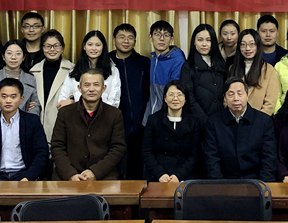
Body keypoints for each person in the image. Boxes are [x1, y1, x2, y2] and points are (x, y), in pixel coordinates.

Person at [50, 69, 126, 181]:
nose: (91, 89)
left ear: (104, 88)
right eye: (87, 85)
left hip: (103, 174)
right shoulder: (65, 113)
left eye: (96, 85)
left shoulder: (114, 114)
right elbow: (57, 146)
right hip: (68, 174)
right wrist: (70, 174)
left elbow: (117, 148)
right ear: (79, 88)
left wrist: (95, 172)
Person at [0, 78, 49, 181]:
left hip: (24, 175)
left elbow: (42, 152)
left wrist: (29, 177)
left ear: (21, 99)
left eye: (13, 96)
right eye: (4, 96)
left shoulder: (32, 121)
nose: (8, 101)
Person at [203, 78, 276, 182]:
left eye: (240, 94)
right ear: (225, 98)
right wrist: (219, 185)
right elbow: (212, 158)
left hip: (256, 181)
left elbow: (269, 157)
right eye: (231, 94)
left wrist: (263, 185)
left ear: (247, 96)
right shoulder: (214, 122)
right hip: (225, 182)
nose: (236, 98)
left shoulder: (264, 121)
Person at [109, 23, 151, 180]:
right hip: (115, 124)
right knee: (116, 168)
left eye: (130, 37)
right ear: (114, 40)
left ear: (135, 41)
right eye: (121, 37)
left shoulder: (144, 63)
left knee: (139, 169)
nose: (126, 41)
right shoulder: (106, 62)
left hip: (141, 124)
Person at [142, 80, 200, 182]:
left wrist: (179, 175)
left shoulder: (193, 122)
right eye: (171, 95)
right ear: (165, 98)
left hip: (184, 176)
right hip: (158, 176)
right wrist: (160, 174)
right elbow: (147, 152)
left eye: (180, 95)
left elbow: (194, 155)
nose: (175, 98)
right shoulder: (154, 120)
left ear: (185, 98)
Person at [58, 30, 121, 108]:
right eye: (90, 44)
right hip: (77, 114)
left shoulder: (113, 71)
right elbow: (63, 98)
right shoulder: (74, 71)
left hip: (105, 114)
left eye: (98, 45)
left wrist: (100, 112)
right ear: (84, 46)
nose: (94, 48)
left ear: (103, 47)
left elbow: (114, 101)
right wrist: (73, 104)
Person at [30, 30, 74, 141]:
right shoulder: (33, 71)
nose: (52, 49)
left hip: (62, 125)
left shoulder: (73, 70)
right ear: (42, 48)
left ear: (62, 47)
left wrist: (72, 101)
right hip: (37, 126)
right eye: (48, 46)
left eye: (56, 46)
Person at [179, 24, 228, 122]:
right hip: (198, 121)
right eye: (200, 40)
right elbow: (189, 97)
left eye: (208, 40)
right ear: (194, 42)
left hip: (221, 119)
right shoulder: (188, 66)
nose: (204, 44)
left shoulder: (221, 63)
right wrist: (204, 120)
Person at [0, 39, 41, 119]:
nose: (13, 57)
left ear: (23, 57)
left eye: (18, 54)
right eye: (9, 53)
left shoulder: (31, 79)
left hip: (25, 124)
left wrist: (26, 121)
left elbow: (35, 105)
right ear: (3, 56)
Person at [142, 21, 186, 125]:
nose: (161, 39)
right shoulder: (154, 58)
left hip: (166, 118)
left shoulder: (178, 60)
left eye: (166, 35)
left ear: (171, 39)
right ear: (150, 37)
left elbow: (175, 94)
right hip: (150, 114)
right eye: (157, 34)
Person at [228, 29, 279, 115]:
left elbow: (270, 103)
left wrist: (257, 120)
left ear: (258, 46)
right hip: (234, 118)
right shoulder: (232, 69)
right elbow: (227, 98)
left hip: (259, 119)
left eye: (252, 44)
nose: (247, 48)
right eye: (243, 44)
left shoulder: (268, 70)